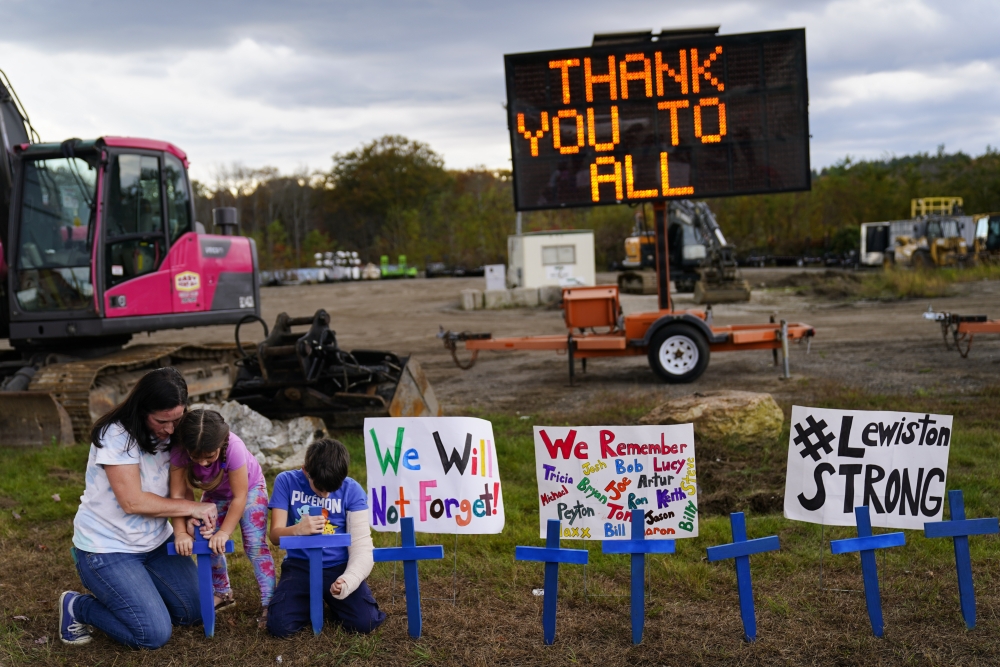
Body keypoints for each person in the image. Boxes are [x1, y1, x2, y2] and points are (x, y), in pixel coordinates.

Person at [60, 368, 219, 649]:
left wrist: (186, 522)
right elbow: (132, 502)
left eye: (177, 419)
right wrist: (191, 507)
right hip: (108, 548)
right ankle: (77, 606)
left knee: (195, 611)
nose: (171, 429)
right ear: (142, 410)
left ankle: (144, 596)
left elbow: (180, 486)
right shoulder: (115, 434)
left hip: (156, 542)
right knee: (152, 634)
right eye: (161, 421)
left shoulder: (177, 432)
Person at [266, 438, 385, 637]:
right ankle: (307, 603)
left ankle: (329, 601)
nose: (326, 495)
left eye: (332, 489)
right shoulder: (286, 481)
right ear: (306, 470)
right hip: (300, 565)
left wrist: (348, 579)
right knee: (279, 626)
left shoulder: (352, 490)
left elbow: (362, 546)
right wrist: (298, 529)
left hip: (339, 566)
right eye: (320, 488)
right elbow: (275, 536)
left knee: (366, 622)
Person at [169, 409, 276, 627]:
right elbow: (178, 496)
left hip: (249, 489)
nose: (203, 463)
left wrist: (225, 532)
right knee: (206, 539)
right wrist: (180, 532)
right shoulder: (179, 450)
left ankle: (270, 602)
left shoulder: (234, 446)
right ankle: (223, 592)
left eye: (209, 457)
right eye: (195, 457)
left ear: (221, 443)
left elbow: (239, 497)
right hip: (215, 494)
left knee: (254, 545)